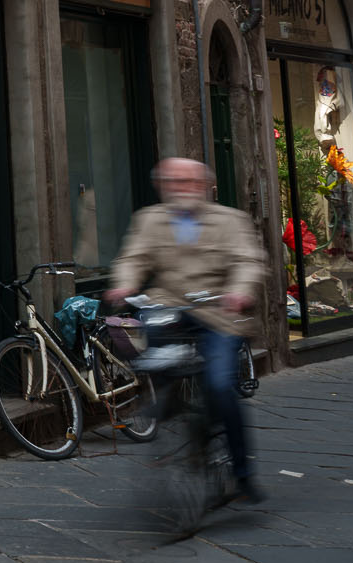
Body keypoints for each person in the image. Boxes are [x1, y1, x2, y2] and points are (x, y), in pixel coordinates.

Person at [107, 156, 266, 504]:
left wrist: (240, 291)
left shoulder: (231, 221)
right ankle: (166, 400)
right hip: (169, 306)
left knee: (222, 387)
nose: (182, 189)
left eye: (189, 182)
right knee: (149, 350)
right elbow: (133, 258)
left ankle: (242, 473)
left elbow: (247, 261)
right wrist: (123, 286)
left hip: (217, 312)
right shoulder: (149, 219)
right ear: (162, 187)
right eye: (173, 182)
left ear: (205, 186)